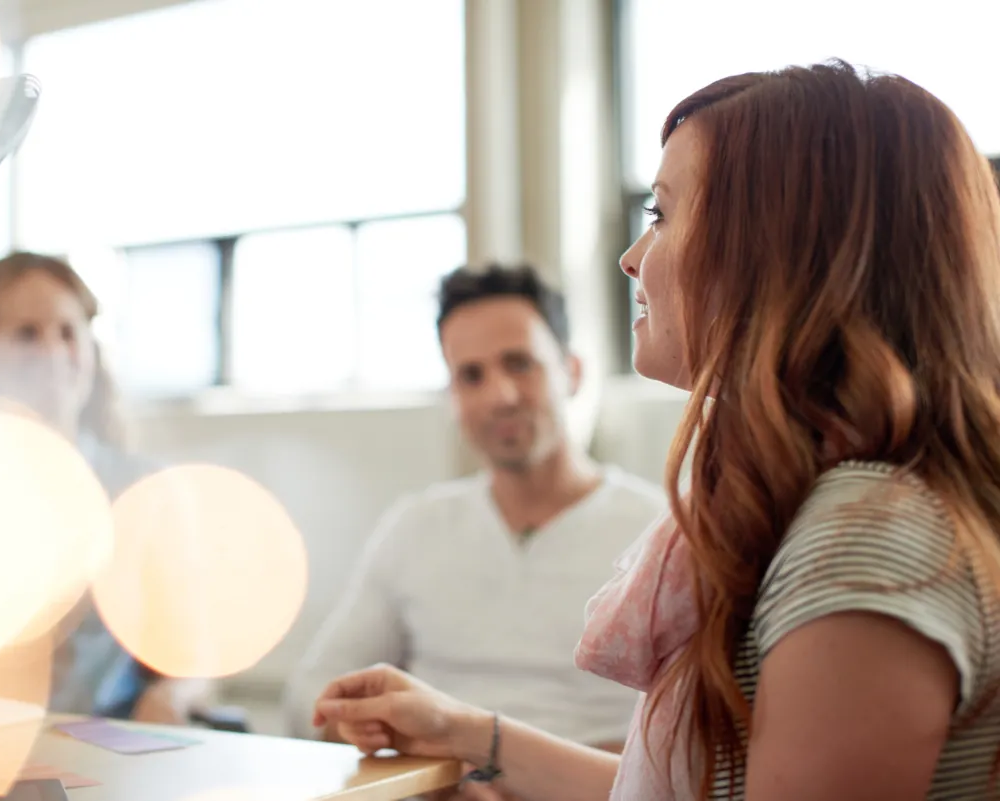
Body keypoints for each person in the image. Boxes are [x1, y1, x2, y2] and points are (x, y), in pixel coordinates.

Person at [311, 59, 1000, 801]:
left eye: (663, 215)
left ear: (773, 246)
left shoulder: (867, 541)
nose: (630, 258)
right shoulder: (827, 511)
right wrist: (467, 733)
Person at [284, 264, 666, 751]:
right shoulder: (416, 527)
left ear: (571, 372)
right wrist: (375, 733)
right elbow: (309, 696)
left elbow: (701, 728)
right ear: (452, 395)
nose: (499, 396)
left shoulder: (657, 529)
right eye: (471, 375)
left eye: (519, 363)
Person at [0, 251, 213, 725]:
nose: (54, 353)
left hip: (107, 751)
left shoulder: (145, 488)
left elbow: (191, 656)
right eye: (26, 334)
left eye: (68, 332)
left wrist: (169, 698)